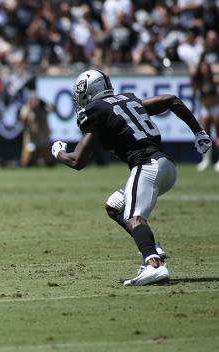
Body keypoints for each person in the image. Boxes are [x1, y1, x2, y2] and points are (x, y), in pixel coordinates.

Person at [51, 69, 212, 286]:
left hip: (147, 166)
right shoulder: (128, 99)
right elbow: (171, 100)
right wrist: (199, 131)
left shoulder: (96, 110)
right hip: (166, 166)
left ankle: (154, 264)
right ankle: (152, 248)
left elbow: (77, 161)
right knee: (114, 207)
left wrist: (59, 152)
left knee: (135, 218)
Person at [191, 59, 219, 171]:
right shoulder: (199, 82)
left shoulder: (214, 80)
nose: (204, 70)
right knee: (205, 135)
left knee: (218, 134)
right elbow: (194, 94)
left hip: (216, 108)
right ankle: (206, 160)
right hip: (205, 109)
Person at [18, 91, 55, 167]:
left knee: (49, 161)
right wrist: (30, 108)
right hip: (31, 139)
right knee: (26, 162)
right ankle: (35, 161)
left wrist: (44, 103)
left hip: (43, 137)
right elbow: (22, 119)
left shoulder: (43, 108)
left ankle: (41, 161)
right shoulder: (26, 108)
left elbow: (54, 109)